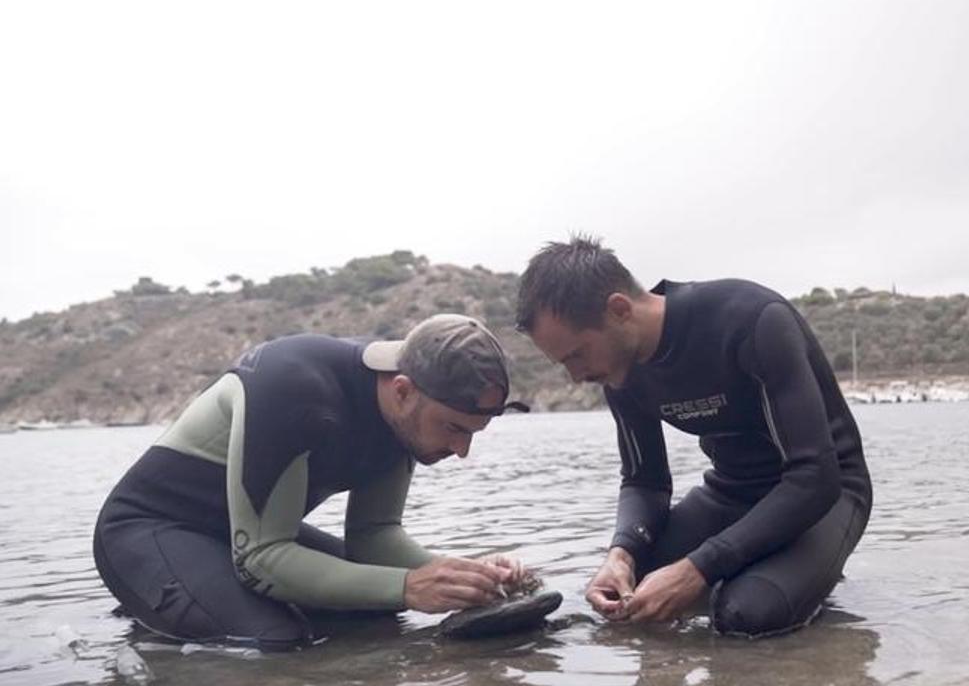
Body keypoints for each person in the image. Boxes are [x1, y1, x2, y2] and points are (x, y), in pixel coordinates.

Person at [93, 314, 530, 651]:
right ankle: (164, 624)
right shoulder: (296, 387)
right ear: (402, 390)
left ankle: (196, 601)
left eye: (472, 433)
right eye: (454, 428)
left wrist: (468, 577)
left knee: (375, 613)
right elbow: (261, 559)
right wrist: (411, 586)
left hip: (239, 537)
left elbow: (373, 538)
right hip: (149, 530)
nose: (461, 450)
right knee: (274, 639)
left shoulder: (403, 418)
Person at [516, 236, 872, 637]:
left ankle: (803, 582)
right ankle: (774, 570)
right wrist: (622, 553)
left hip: (829, 494)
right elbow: (644, 481)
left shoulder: (751, 321)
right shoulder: (620, 373)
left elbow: (815, 477)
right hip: (733, 492)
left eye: (577, 355)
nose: (576, 376)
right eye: (563, 363)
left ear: (618, 310)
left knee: (744, 616)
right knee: (626, 598)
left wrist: (699, 568)